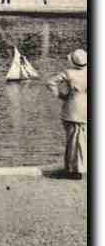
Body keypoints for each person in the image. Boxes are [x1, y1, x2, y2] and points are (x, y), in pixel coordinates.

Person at [47, 49, 87, 179]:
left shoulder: (68, 73)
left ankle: (72, 168)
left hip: (72, 108)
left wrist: (60, 95)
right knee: (84, 139)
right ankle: (82, 166)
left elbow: (50, 82)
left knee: (72, 139)